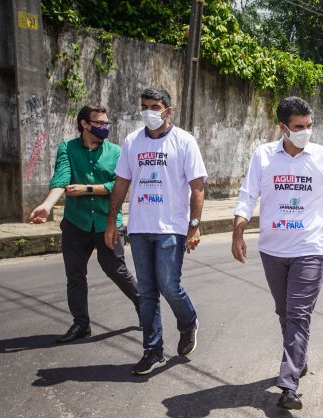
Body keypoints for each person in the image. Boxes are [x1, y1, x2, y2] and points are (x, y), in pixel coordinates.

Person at [232, 96, 323, 411]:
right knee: (284, 312)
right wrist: (238, 231)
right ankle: (298, 358)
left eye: (309, 126)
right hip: (272, 250)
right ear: (283, 127)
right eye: (299, 127)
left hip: (309, 249)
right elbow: (247, 195)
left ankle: (288, 385)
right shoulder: (263, 156)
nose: (306, 132)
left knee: (299, 314)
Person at [105, 86, 207, 375]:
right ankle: (153, 350)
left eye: (155, 106)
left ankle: (188, 322)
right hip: (139, 227)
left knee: (169, 285)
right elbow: (121, 183)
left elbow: (197, 187)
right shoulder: (132, 142)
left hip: (171, 227)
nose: (149, 111)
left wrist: (194, 226)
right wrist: (113, 221)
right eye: (145, 106)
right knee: (147, 292)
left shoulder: (184, 141)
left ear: (168, 111)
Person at [29, 104, 140, 343]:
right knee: (75, 275)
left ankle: (145, 308)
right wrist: (47, 206)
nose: (104, 127)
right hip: (76, 223)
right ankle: (81, 324)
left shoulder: (116, 152)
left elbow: (118, 186)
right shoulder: (67, 149)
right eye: (99, 123)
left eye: (106, 123)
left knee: (117, 270)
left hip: (107, 222)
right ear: (84, 124)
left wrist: (88, 189)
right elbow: (61, 179)